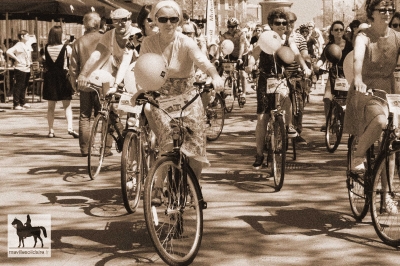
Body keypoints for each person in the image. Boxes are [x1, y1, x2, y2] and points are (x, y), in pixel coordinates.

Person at [137, 0, 224, 181]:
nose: (168, 23)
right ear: (155, 20)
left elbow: (204, 63)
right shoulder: (148, 42)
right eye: (163, 19)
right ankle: (158, 185)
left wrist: (215, 76)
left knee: (195, 149)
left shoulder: (186, 42)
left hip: (188, 97)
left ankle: (194, 188)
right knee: (167, 144)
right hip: (162, 97)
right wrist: (140, 89)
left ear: (179, 21)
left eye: (173, 19)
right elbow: (142, 68)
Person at [343, 0, 400, 214]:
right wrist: (357, 77)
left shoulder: (397, 37)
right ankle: (358, 156)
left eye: (390, 9)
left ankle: (387, 197)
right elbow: (358, 58)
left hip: (390, 91)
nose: (387, 13)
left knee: (391, 146)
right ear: (371, 13)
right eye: (382, 9)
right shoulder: (363, 37)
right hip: (366, 89)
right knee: (380, 121)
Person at [77, 8, 142, 155]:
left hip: (137, 74)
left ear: (130, 20)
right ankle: (116, 137)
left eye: (124, 20)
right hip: (117, 73)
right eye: (116, 21)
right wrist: (83, 75)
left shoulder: (137, 34)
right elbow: (96, 55)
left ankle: (132, 141)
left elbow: (129, 60)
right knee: (108, 105)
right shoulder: (108, 35)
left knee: (134, 112)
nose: (120, 24)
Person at [251, 8, 310, 169]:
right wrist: (250, 66)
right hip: (264, 79)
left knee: (287, 100)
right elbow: (253, 55)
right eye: (278, 23)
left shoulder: (288, 40)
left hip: (280, 78)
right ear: (271, 24)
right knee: (262, 118)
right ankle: (259, 154)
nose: (282, 26)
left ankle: (289, 126)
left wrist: (305, 66)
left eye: (285, 23)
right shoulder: (264, 38)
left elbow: (297, 54)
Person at [69, 12, 103, 157]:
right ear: (99, 24)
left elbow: (73, 67)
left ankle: (85, 149)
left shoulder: (78, 42)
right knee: (105, 115)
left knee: (84, 116)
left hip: (85, 84)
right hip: (103, 83)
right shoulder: (105, 39)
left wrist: (74, 84)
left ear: (84, 24)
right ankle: (106, 148)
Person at [314, 20, 353, 132]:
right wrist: (317, 66)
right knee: (327, 98)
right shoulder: (329, 46)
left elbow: (354, 57)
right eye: (336, 30)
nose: (339, 32)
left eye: (341, 29)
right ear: (331, 32)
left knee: (344, 100)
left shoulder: (349, 45)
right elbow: (322, 58)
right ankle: (328, 122)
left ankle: (343, 120)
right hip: (333, 75)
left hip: (346, 74)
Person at [42, 26, 78, 138]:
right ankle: (70, 127)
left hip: (50, 77)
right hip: (62, 77)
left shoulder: (46, 47)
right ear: (59, 35)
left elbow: (44, 60)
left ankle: (51, 130)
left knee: (50, 106)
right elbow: (72, 60)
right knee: (67, 105)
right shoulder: (66, 48)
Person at [284, 11, 313, 145]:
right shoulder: (277, 37)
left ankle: (297, 131)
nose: (289, 25)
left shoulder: (300, 38)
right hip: (280, 74)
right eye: (286, 22)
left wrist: (307, 68)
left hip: (295, 74)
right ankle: (270, 134)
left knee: (298, 104)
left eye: (291, 22)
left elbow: (304, 55)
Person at [219, 17, 248, 99]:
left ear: (237, 26)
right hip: (231, 53)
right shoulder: (225, 35)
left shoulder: (241, 34)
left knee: (242, 73)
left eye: (233, 27)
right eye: (229, 27)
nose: (231, 29)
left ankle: (244, 93)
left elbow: (242, 46)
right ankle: (229, 87)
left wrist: (240, 58)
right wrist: (221, 56)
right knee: (228, 71)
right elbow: (221, 46)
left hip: (243, 53)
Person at [6, 30, 32, 110]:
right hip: (20, 68)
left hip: (27, 68)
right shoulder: (18, 45)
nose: (28, 36)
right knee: (19, 86)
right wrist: (16, 59)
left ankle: (22, 102)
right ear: (22, 36)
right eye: (27, 35)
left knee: (24, 86)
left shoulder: (27, 45)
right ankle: (16, 103)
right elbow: (8, 51)